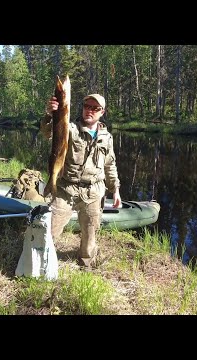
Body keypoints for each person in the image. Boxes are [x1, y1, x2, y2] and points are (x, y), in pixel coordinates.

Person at [40, 93, 121, 268]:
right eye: (87, 106)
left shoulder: (107, 137)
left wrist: (116, 190)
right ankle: (42, 262)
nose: (89, 111)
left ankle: (86, 264)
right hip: (66, 189)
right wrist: (50, 114)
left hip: (93, 192)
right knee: (51, 228)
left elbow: (110, 165)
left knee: (90, 236)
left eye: (95, 108)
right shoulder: (69, 128)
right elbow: (48, 133)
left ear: (102, 112)